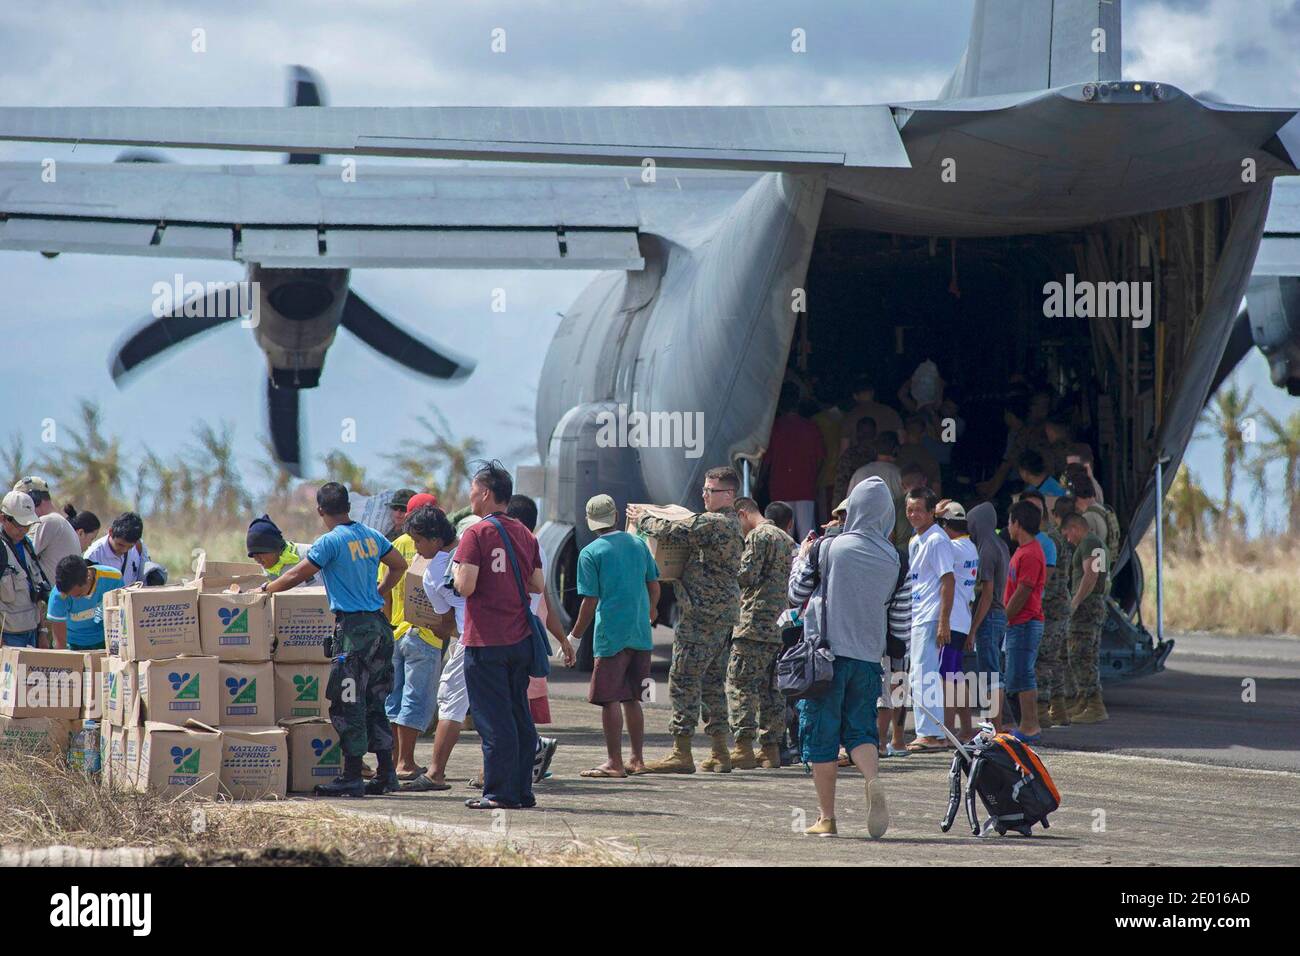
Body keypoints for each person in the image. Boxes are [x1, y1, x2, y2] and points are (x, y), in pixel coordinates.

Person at [263, 482, 407, 797]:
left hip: (354, 634)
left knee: (348, 702)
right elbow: (400, 565)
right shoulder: (372, 536)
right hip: (380, 629)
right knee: (375, 701)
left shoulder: (330, 542)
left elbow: (294, 575)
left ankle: (352, 776)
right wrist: (379, 592)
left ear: (320, 511)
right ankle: (386, 774)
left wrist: (262, 592)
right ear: (347, 507)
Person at [787, 477, 896, 838]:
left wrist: (803, 555)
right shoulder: (894, 557)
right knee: (861, 731)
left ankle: (827, 818)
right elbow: (899, 618)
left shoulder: (829, 548)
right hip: (868, 658)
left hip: (826, 657)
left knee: (821, 735)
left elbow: (796, 592)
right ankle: (873, 779)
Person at [627, 465, 745, 774]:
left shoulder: (715, 523)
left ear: (729, 495)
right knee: (711, 683)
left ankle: (681, 751)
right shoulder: (727, 523)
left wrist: (642, 518)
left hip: (702, 615)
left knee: (682, 679)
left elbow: (673, 530)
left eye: (712, 490)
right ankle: (720, 751)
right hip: (719, 614)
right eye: (704, 489)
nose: (705, 495)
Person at [452, 461, 551, 810]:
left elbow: (466, 585)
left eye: (473, 492)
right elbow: (538, 583)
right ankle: (523, 791)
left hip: (485, 640)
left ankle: (498, 793)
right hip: (520, 639)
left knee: (493, 721)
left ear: (486, 494)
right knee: (519, 716)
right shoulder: (526, 534)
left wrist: (455, 576)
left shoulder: (476, 534)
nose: (471, 498)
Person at [568, 494, 659, 778]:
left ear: (590, 521)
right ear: (616, 516)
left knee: (609, 699)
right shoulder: (639, 544)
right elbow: (654, 585)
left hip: (611, 635)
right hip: (641, 634)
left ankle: (614, 762)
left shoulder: (590, 553)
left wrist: (575, 637)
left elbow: (590, 601)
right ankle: (637, 759)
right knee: (634, 697)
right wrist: (652, 611)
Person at [506, 493, 575, 784]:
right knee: (515, 703)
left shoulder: (520, 547)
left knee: (507, 704)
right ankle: (530, 754)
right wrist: (564, 640)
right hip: (529, 630)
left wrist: (564, 639)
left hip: (514, 631)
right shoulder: (537, 549)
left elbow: (540, 598)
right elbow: (545, 600)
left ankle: (527, 754)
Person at [401, 514, 473, 793]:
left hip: (469, 640)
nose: (416, 548)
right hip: (500, 636)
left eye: (418, 541)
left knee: (450, 701)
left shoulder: (432, 574)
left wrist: (443, 629)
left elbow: (445, 622)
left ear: (435, 539)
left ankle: (435, 773)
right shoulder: (471, 551)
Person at [383, 496, 449, 780]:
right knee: (415, 699)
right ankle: (406, 763)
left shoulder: (395, 546)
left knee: (393, 700)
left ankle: (392, 760)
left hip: (395, 631)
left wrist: (388, 625)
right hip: (425, 633)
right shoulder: (438, 549)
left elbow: (383, 589)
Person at [726, 496, 795, 770]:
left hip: (753, 624)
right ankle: (770, 750)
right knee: (772, 690)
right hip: (778, 626)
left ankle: (743, 747)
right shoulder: (785, 539)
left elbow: (746, 577)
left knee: (740, 685)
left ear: (743, 514)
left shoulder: (758, 537)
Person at [904, 486, 955, 752]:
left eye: (918, 510)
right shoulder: (916, 540)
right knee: (920, 674)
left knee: (924, 675)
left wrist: (943, 621)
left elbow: (948, 579)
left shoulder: (937, 539)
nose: (913, 515)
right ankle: (932, 731)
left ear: (931, 512)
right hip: (918, 614)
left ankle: (931, 733)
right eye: (909, 510)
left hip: (930, 616)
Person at [1024, 490, 1073, 727]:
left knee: (1043, 660)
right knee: (1053, 660)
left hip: (1051, 606)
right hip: (1054, 605)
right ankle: (1058, 709)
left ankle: (1043, 711)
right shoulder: (1047, 537)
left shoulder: (1047, 540)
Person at [1003, 499, 1047, 742]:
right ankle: (1025, 724)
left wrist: (1005, 617)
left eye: (1009, 522)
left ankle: (1030, 725)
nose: (1007, 527)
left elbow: (1024, 590)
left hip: (1025, 622)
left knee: (1022, 674)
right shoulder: (1022, 551)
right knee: (1016, 675)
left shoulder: (1030, 553)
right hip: (1018, 623)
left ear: (1017, 523)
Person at [935, 500, 979, 742]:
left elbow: (930, 542)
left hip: (950, 620)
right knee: (955, 676)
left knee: (946, 679)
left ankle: (947, 731)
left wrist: (932, 516)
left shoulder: (952, 548)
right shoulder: (969, 547)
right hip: (962, 619)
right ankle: (965, 728)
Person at [1062, 512, 1110, 724]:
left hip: (1086, 608)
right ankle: (1083, 700)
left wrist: (1075, 601)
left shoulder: (1089, 542)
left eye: (1068, 533)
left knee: (1080, 655)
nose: (1067, 538)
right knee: (1086, 654)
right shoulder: (1095, 542)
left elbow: (1091, 575)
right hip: (1094, 605)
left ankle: (1095, 705)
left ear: (1075, 527)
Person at [762, 383, 825, 540]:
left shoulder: (774, 427)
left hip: (780, 487)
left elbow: (766, 462)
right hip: (805, 487)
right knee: (808, 535)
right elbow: (820, 458)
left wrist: (761, 483)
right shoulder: (811, 426)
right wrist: (814, 480)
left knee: (782, 536)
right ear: (798, 402)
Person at [966, 502, 1008, 733]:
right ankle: (993, 725)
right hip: (998, 616)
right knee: (992, 671)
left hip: (989, 617)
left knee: (991, 674)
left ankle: (995, 727)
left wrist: (973, 629)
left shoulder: (986, 549)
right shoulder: (999, 544)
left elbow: (987, 594)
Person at [12, 477, 80, 592]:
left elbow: (18, 554)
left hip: (51, 601)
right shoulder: (58, 521)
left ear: (34, 500)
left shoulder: (47, 521)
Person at [47, 555, 124, 650]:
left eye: (78, 595)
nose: (74, 599)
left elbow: (120, 618)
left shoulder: (113, 579)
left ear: (88, 578)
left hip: (105, 640)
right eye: (69, 595)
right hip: (72, 643)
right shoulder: (58, 595)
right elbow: (60, 642)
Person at [1, 491, 45, 647]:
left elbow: (37, 589)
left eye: (28, 525)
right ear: (3, 518)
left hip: (32, 632)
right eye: (20, 525)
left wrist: (42, 631)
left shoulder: (27, 545)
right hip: (8, 636)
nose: (24, 530)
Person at [245, 514, 322, 587]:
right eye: (253, 555)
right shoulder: (265, 572)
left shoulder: (311, 553)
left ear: (275, 548)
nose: (257, 559)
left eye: (259, 553)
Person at [83, 513, 150, 587]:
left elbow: (144, 580)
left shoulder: (139, 547)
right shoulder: (93, 556)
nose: (124, 550)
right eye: (120, 545)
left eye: (130, 547)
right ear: (111, 532)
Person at [840, 377, 904, 449]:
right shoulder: (890, 412)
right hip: (888, 458)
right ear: (872, 393)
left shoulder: (850, 417)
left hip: (861, 458)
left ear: (855, 396)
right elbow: (902, 442)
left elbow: (844, 449)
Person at [832, 417, 878, 504]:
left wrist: (837, 509)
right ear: (875, 433)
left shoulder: (849, 455)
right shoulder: (882, 454)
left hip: (855, 503)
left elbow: (840, 487)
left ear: (857, 434)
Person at [897, 415, 942, 493]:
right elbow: (936, 485)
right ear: (924, 433)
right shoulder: (930, 455)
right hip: (923, 500)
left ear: (905, 431)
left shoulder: (896, 453)